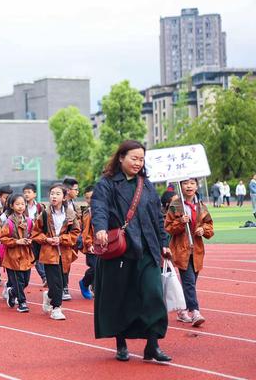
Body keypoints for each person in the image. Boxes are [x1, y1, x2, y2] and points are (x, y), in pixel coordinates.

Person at [91, 139, 172, 362]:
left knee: (153, 294)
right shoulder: (107, 184)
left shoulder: (146, 185)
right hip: (121, 250)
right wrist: (100, 229)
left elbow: (158, 216)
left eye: (141, 159)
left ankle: (152, 345)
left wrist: (164, 242)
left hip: (148, 249)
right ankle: (121, 344)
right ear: (121, 158)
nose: (138, 163)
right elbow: (99, 208)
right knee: (121, 297)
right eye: (134, 158)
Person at [165, 178, 214, 327]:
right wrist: (180, 222)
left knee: (191, 283)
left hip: (197, 250)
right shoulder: (175, 206)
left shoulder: (201, 206)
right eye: (185, 183)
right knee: (189, 282)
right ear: (180, 186)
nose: (189, 186)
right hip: (182, 250)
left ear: (197, 186)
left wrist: (202, 230)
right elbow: (168, 227)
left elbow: (210, 227)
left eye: (192, 183)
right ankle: (195, 312)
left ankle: (182, 310)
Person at [32, 183, 80, 321]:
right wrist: (47, 239)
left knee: (62, 281)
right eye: (52, 193)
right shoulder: (45, 214)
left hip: (65, 253)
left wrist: (61, 239)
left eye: (58, 194)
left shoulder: (70, 214)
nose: (54, 196)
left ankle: (49, 296)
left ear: (64, 197)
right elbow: (36, 233)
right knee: (56, 281)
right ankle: (56, 308)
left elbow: (76, 232)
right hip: (49, 253)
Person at [0, 194, 34, 313]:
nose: (20, 207)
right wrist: (16, 241)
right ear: (11, 206)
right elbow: (3, 238)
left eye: (22, 204)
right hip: (12, 257)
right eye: (17, 204)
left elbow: (33, 235)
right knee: (18, 281)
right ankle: (22, 302)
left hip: (26, 256)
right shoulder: (8, 222)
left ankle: (12, 292)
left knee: (25, 281)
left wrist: (30, 240)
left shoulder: (29, 221)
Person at [23, 182, 47, 286]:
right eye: (25, 193)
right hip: (25, 238)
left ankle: (44, 277)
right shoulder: (21, 206)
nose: (26, 194)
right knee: (30, 260)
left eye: (29, 192)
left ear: (35, 194)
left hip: (37, 237)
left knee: (38, 258)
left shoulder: (40, 207)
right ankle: (13, 284)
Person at [0, 185, 13, 287]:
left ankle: (10, 284)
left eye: (9, 197)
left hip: (9, 240)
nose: (7, 200)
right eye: (5, 197)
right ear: (0, 197)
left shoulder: (14, 209)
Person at [79, 185, 96, 300]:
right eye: (88, 198)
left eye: (93, 197)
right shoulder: (87, 213)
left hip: (105, 245)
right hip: (92, 247)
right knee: (95, 268)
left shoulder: (105, 210)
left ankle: (97, 289)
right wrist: (89, 244)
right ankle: (84, 283)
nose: (91, 200)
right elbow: (86, 231)